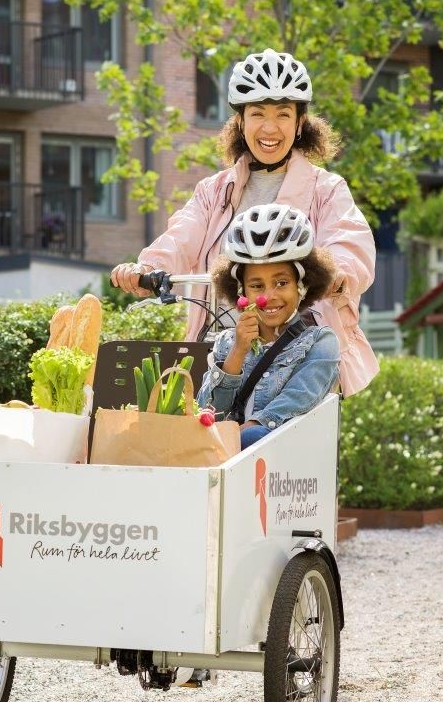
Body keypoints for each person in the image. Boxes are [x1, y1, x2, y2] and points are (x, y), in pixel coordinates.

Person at [109, 48, 378, 397]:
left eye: (283, 114)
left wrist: (338, 275)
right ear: (240, 122)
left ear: (300, 124)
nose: (269, 127)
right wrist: (148, 268)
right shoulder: (214, 191)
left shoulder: (326, 190)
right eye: (257, 114)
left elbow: (349, 244)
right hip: (219, 350)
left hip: (295, 356)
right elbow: (180, 237)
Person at [198, 204, 340, 450]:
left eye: (282, 283)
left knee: (252, 438)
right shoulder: (226, 343)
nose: (269, 296)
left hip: (282, 460)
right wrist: (238, 351)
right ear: (241, 291)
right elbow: (209, 412)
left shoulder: (320, 341)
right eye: (257, 286)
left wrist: (244, 430)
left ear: (302, 286)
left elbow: (299, 397)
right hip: (225, 456)